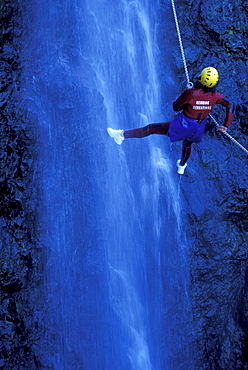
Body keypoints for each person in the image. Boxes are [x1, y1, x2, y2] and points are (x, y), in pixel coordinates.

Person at [107, 67, 233, 174]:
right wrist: (226, 125)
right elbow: (230, 105)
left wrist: (187, 94)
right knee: (188, 144)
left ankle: (121, 135)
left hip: (183, 125)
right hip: (198, 129)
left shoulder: (191, 93)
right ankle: (182, 166)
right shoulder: (216, 96)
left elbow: (175, 107)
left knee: (151, 129)